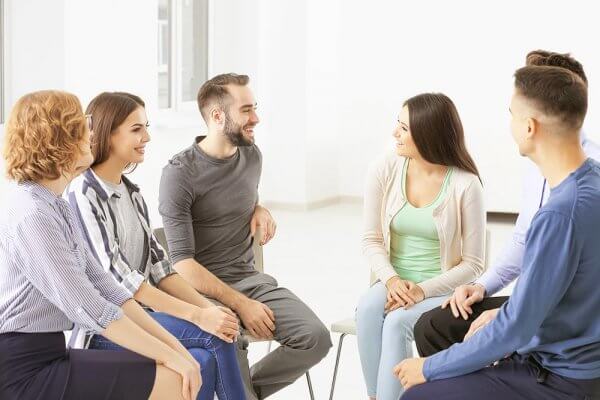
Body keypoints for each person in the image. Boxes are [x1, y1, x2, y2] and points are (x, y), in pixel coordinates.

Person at [397, 56, 600, 400]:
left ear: (530, 127)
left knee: (417, 395)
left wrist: (428, 368)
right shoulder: (591, 182)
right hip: (576, 361)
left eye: (511, 114)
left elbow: (518, 326)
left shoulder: (558, 215)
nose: (509, 124)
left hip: (558, 378)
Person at [0, 90, 201, 400]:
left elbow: (108, 289)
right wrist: (172, 357)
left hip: (50, 355)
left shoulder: (55, 205)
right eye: (82, 125)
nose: (91, 133)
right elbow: (89, 307)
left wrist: (176, 350)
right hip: (23, 370)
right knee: (174, 380)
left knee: (178, 371)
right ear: (59, 138)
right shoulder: (33, 214)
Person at [158, 73, 331, 399]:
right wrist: (241, 304)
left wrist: (258, 207)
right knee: (229, 331)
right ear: (217, 116)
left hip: (249, 280)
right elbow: (182, 265)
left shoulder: (252, 156)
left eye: (256, 108)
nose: (256, 118)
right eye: (247, 110)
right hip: (200, 291)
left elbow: (236, 199)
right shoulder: (179, 174)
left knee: (315, 337)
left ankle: (237, 391)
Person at [67, 91, 246, 400]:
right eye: (136, 129)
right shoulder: (84, 193)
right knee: (215, 338)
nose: (147, 137)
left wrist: (210, 308)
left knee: (205, 353)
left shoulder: (133, 194)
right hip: (106, 328)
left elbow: (163, 271)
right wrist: (198, 317)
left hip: (144, 315)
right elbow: (124, 285)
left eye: (146, 127)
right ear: (108, 134)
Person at [356, 92, 486, 400]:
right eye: (396, 125)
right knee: (368, 308)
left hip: (439, 289)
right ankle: (376, 396)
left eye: (404, 128)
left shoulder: (466, 184)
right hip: (394, 282)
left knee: (399, 321)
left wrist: (421, 291)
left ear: (428, 134)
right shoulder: (384, 169)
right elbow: (370, 239)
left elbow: (474, 265)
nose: (394, 134)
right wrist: (391, 280)